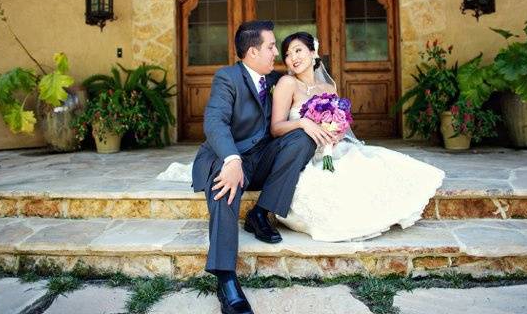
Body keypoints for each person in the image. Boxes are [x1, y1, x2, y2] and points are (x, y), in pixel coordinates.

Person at [189, 21, 317, 314]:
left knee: (302, 137)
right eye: (272, 47)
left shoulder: (276, 80)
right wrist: (232, 160)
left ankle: (261, 212)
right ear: (252, 51)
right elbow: (214, 123)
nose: (278, 53)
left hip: (261, 158)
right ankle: (226, 279)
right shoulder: (227, 77)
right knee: (224, 185)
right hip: (226, 155)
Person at [270, 31, 445, 242]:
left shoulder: (328, 87)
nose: (293, 58)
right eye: (288, 54)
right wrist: (302, 123)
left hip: (331, 149)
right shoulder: (287, 84)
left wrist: (337, 133)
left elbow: (338, 120)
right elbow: (276, 128)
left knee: (372, 166)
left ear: (313, 52)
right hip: (304, 154)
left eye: (298, 50)